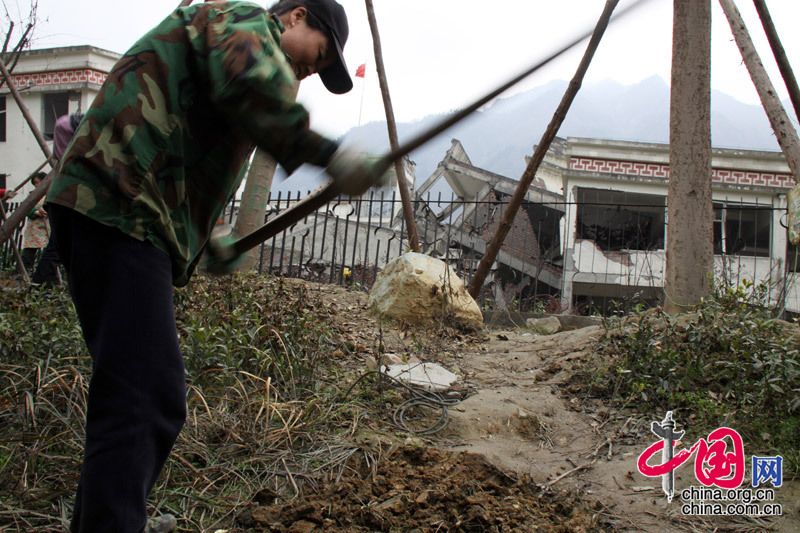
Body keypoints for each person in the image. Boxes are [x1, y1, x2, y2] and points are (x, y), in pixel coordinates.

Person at [45, 1, 383, 532]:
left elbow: (192, 152)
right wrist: (329, 155)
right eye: (318, 57)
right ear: (294, 16)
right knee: (147, 394)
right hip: (118, 204)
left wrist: (206, 243)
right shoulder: (244, 25)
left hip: (124, 212)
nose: (311, 73)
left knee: (131, 392)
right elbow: (250, 85)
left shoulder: (245, 71)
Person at [20, 172, 49, 273]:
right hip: (34, 227)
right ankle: (25, 271)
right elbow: (26, 209)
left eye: (38, 182)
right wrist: (36, 212)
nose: (37, 185)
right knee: (30, 249)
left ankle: (46, 273)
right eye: (35, 183)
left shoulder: (50, 194)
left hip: (47, 226)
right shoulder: (32, 195)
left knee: (49, 250)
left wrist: (46, 211)